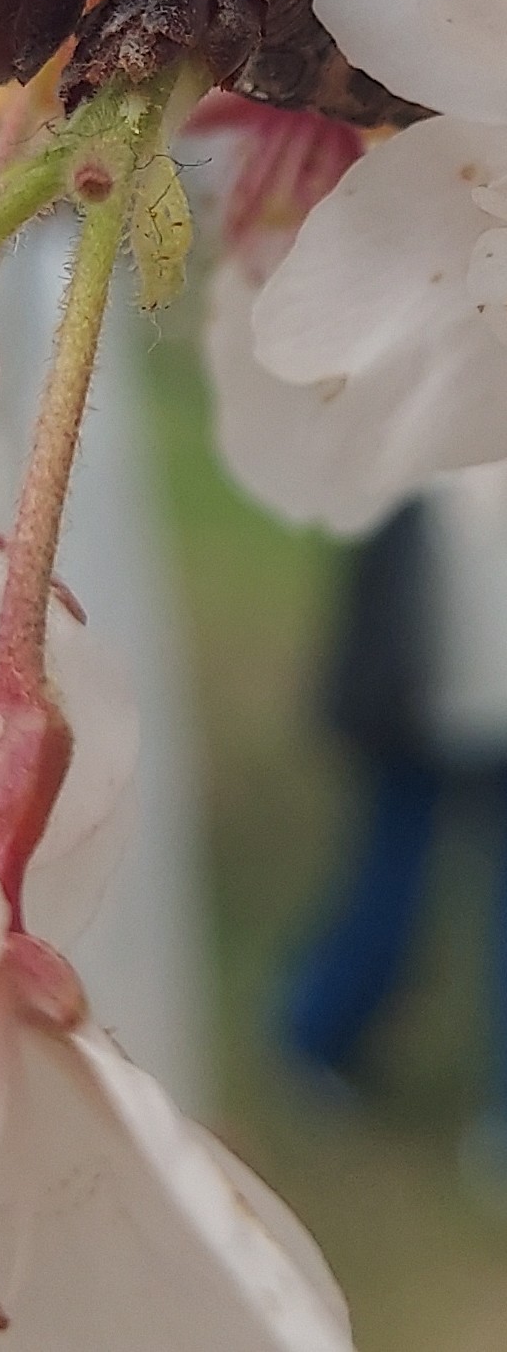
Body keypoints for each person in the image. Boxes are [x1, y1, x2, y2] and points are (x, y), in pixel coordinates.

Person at [281, 463, 507, 1189]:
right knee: (385, 890)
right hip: (410, 708)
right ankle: (317, 1036)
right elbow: (374, 585)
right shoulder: (417, 445)